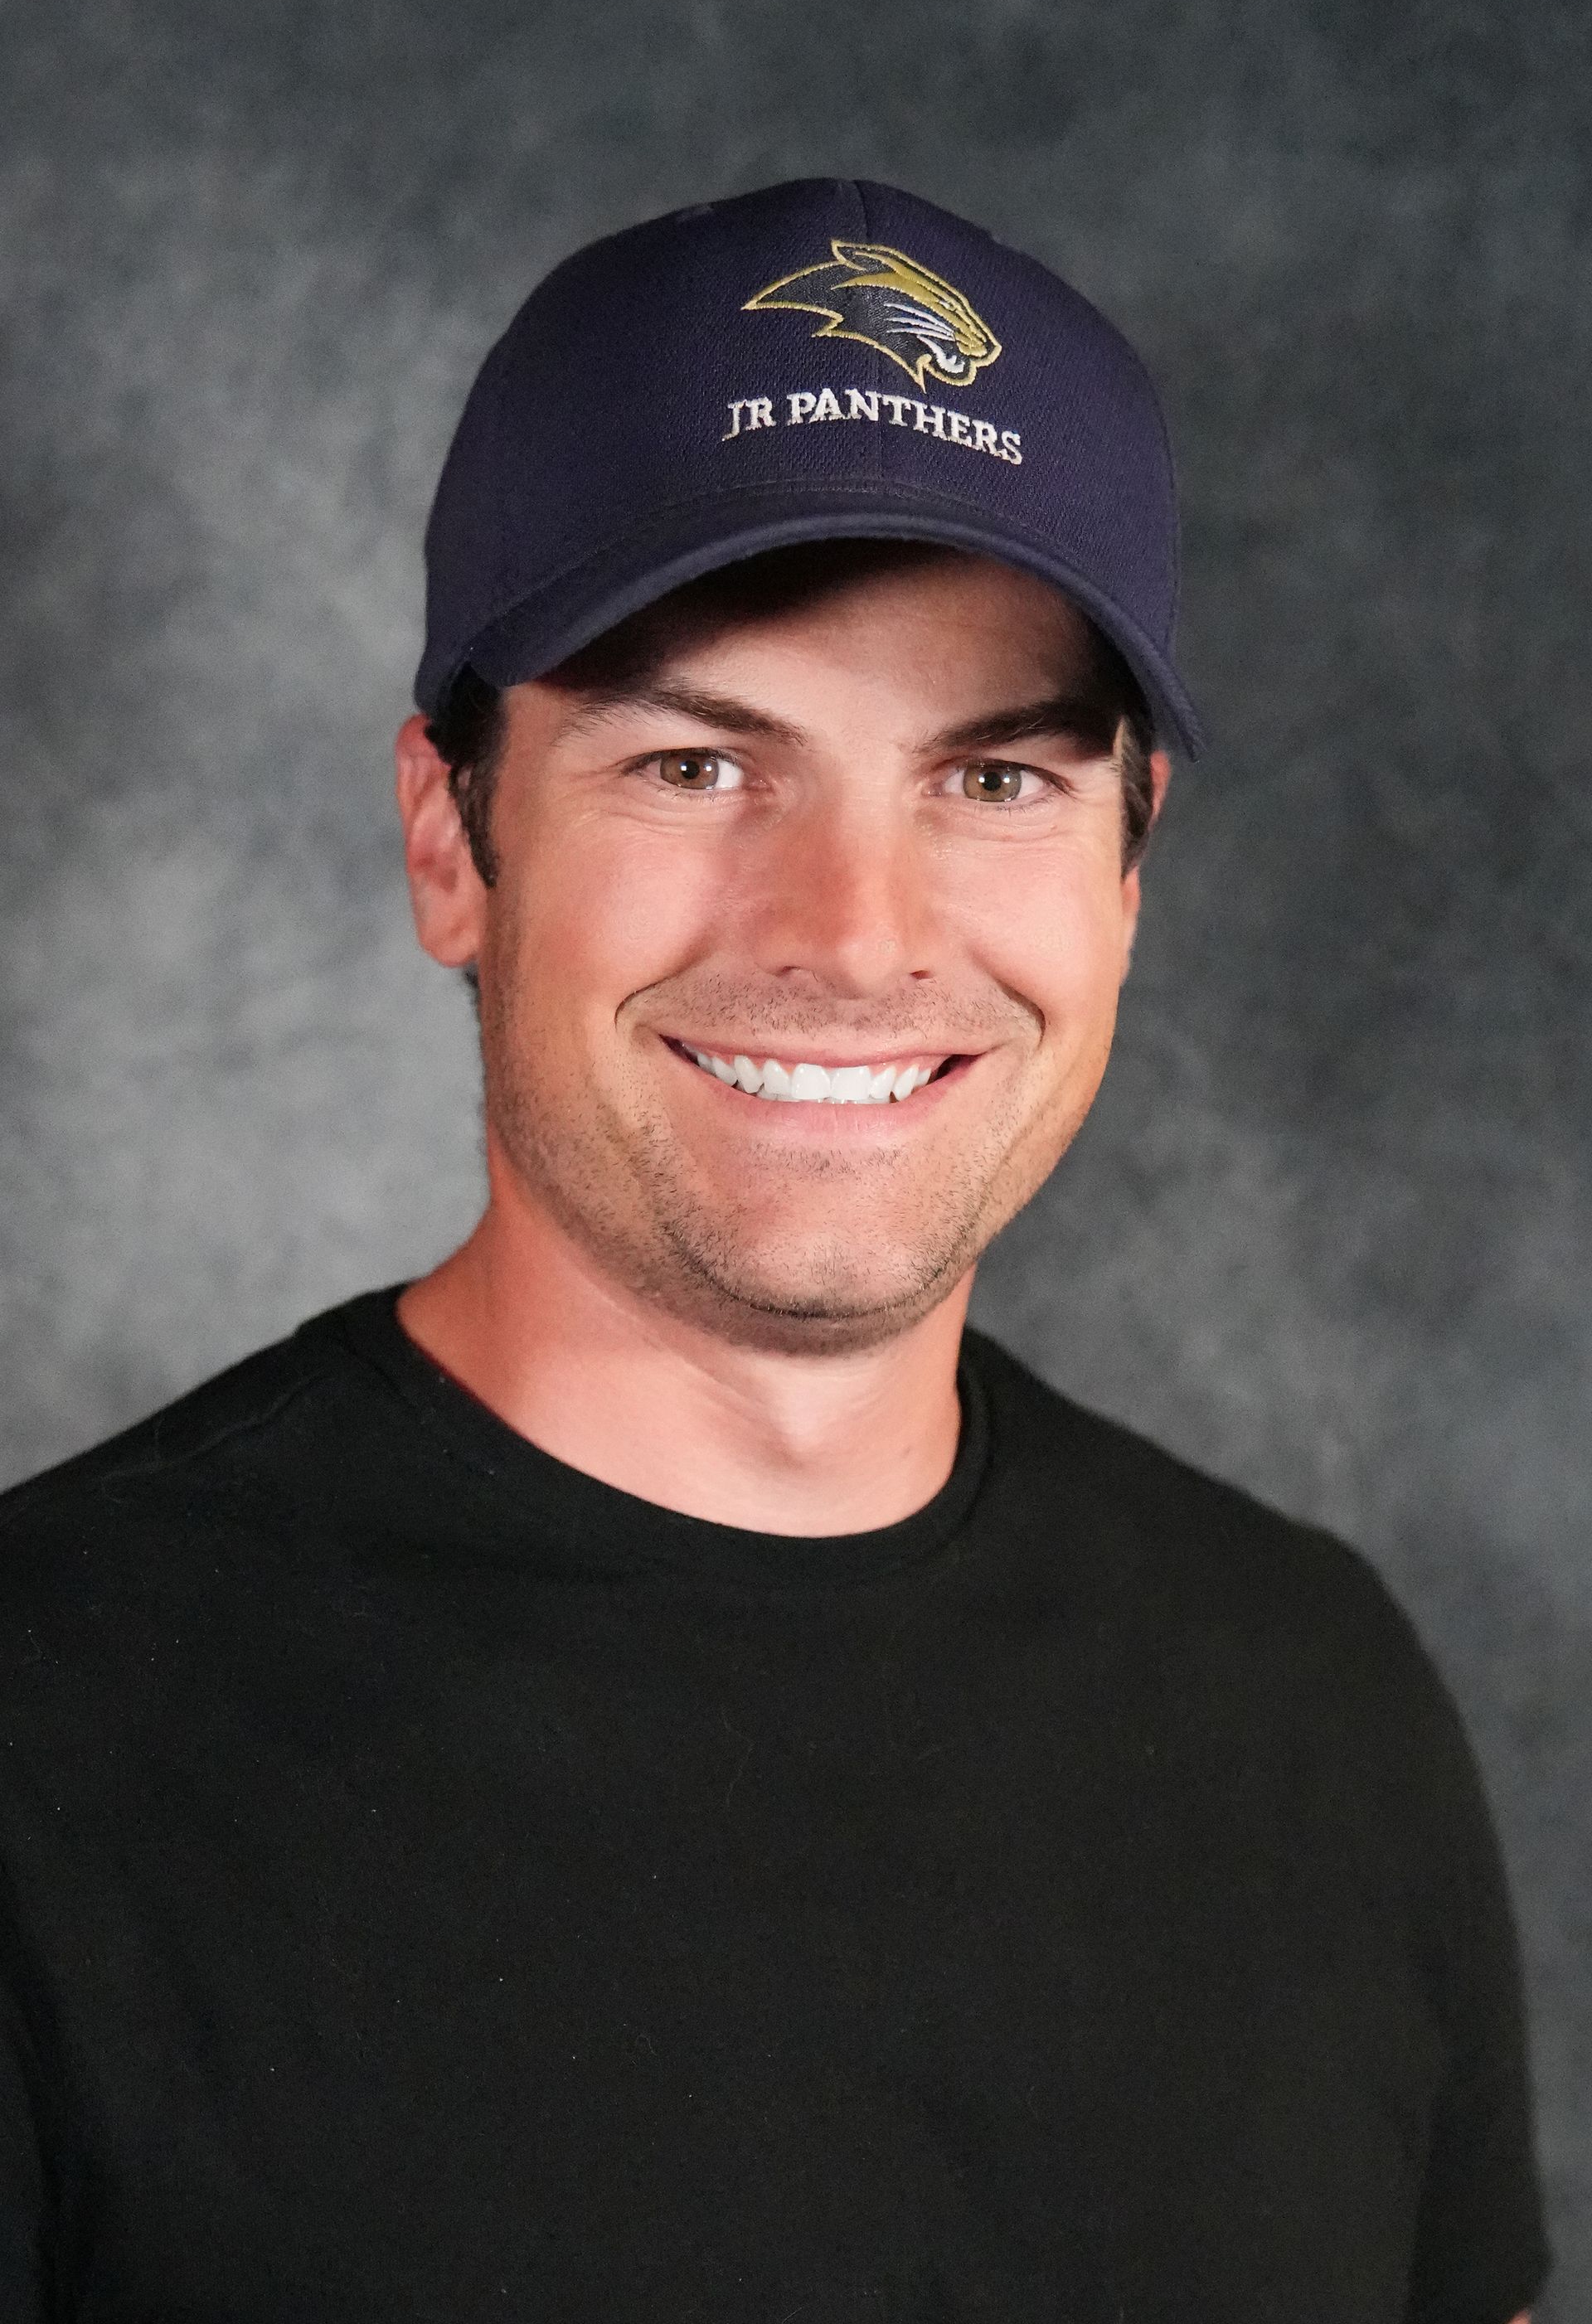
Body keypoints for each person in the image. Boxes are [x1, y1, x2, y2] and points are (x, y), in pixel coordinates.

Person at [0, 181, 1547, 2322]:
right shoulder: (52, 1730)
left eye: (995, 779)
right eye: (700, 760)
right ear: (455, 839)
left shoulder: (1315, 1695)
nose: (851, 930)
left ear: (1130, 867)